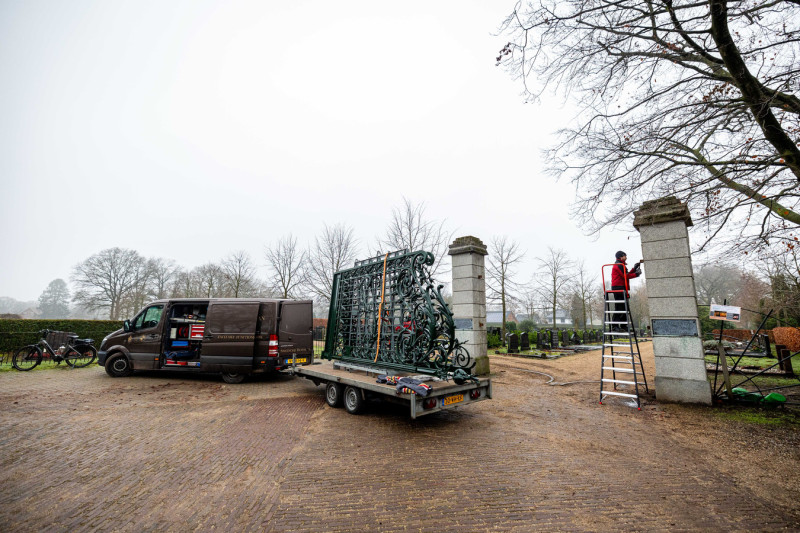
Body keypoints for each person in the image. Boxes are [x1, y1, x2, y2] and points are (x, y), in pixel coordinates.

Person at [609, 251, 642, 332]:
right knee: (619, 307)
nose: (626, 257)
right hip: (618, 288)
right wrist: (636, 274)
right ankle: (615, 325)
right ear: (621, 257)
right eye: (625, 256)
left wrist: (634, 269)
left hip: (622, 287)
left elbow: (626, 274)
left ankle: (623, 325)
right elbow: (625, 276)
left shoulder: (621, 265)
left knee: (624, 307)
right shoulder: (618, 265)